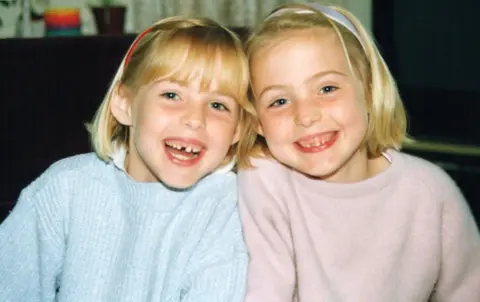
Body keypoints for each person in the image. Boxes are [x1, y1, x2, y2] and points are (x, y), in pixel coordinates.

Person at [237, 3, 480, 302]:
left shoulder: (430, 192)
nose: (306, 115)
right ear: (257, 121)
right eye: (279, 101)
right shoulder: (265, 179)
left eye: (326, 89)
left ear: (368, 89)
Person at [0, 16, 253, 302]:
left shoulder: (230, 208)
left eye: (218, 105)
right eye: (172, 95)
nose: (195, 119)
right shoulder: (66, 188)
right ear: (124, 104)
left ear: (238, 130)